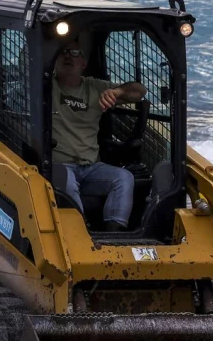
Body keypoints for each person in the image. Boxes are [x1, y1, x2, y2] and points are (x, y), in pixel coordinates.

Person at [52, 40, 147, 230]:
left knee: (123, 178)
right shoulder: (46, 86)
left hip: (91, 167)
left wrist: (117, 91)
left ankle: (114, 232)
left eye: (75, 53)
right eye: (63, 52)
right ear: (54, 60)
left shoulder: (95, 87)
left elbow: (140, 91)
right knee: (66, 180)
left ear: (84, 63)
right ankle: (79, 231)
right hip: (58, 166)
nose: (68, 56)